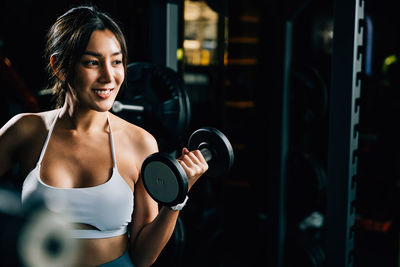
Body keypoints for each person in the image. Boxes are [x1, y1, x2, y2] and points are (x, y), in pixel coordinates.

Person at [0, 5, 208, 267]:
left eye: (117, 61)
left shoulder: (140, 143)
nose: (109, 77)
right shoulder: (26, 131)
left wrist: (178, 196)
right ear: (60, 67)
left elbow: (144, 257)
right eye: (92, 63)